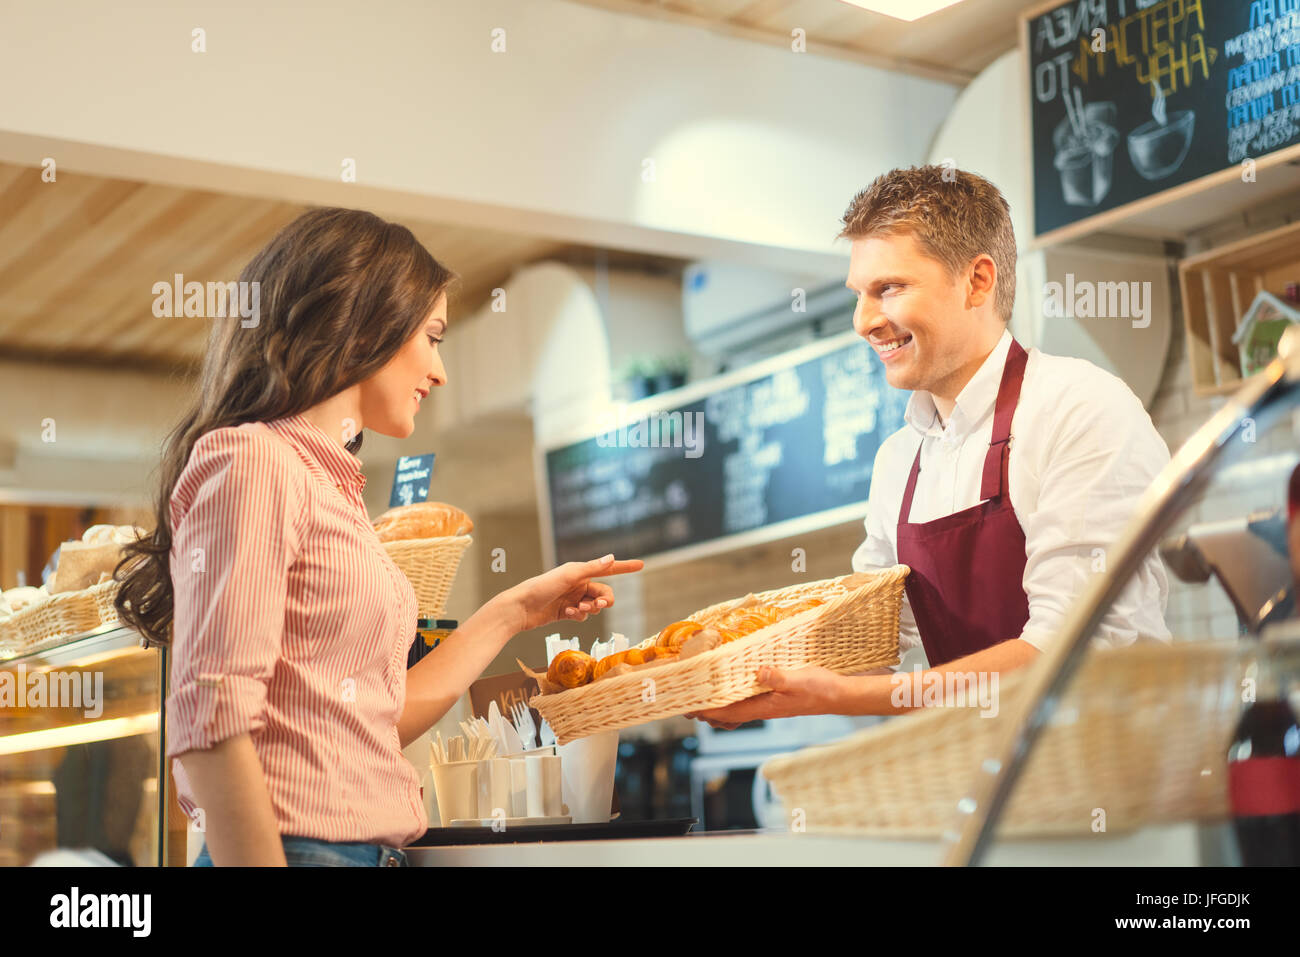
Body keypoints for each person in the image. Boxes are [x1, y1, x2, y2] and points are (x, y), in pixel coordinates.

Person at [115, 208, 641, 866]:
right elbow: (209, 719)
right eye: (433, 335)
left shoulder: (329, 484)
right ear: (367, 323)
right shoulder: (255, 461)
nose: (441, 371)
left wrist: (514, 611)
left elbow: (374, 718)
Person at [693, 166, 1170, 727]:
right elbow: (868, 646)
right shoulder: (898, 460)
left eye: (888, 288)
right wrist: (736, 675)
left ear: (978, 281)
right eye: (859, 295)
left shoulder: (1079, 408)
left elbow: (1071, 649)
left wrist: (843, 698)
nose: (864, 321)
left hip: (1105, 783)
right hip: (977, 789)